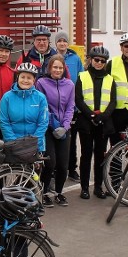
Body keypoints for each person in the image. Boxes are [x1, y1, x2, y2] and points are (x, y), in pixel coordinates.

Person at [74, 46, 116, 200]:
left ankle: (98, 187)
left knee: (100, 156)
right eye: (96, 60)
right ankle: (84, 188)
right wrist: (91, 114)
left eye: (102, 61)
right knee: (86, 155)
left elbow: (113, 101)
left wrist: (103, 117)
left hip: (103, 123)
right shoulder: (82, 76)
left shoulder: (110, 79)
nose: (99, 63)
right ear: (90, 60)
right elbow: (78, 99)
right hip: (86, 122)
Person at [36, 54, 75, 207]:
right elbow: (44, 107)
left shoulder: (70, 84)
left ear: (64, 69)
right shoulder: (42, 83)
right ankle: (45, 192)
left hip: (64, 129)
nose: (58, 70)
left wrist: (64, 127)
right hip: (48, 128)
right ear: (50, 68)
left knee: (63, 164)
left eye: (60, 67)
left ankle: (59, 192)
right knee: (50, 163)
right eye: (55, 67)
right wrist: (54, 125)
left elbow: (70, 107)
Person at [0, 62, 48, 156]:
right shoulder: (7, 97)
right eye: (23, 77)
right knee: (14, 171)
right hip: (12, 144)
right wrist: (14, 143)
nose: (25, 80)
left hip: (35, 145)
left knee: (33, 171)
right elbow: (4, 122)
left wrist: (33, 143)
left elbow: (43, 123)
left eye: (29, 78)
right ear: (18, 78)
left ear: (34, 80)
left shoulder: (40, 98)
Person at [54, 31, 83, 180]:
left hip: (72, 105)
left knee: (71, 140)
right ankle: (57, 169)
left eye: (65, 41)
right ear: (56, 43)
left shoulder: (75, 58)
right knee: (55, 138)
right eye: (59, 41)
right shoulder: (53, 57)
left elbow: (81, 80)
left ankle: (72, 168)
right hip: (56, 105)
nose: (62, 44)